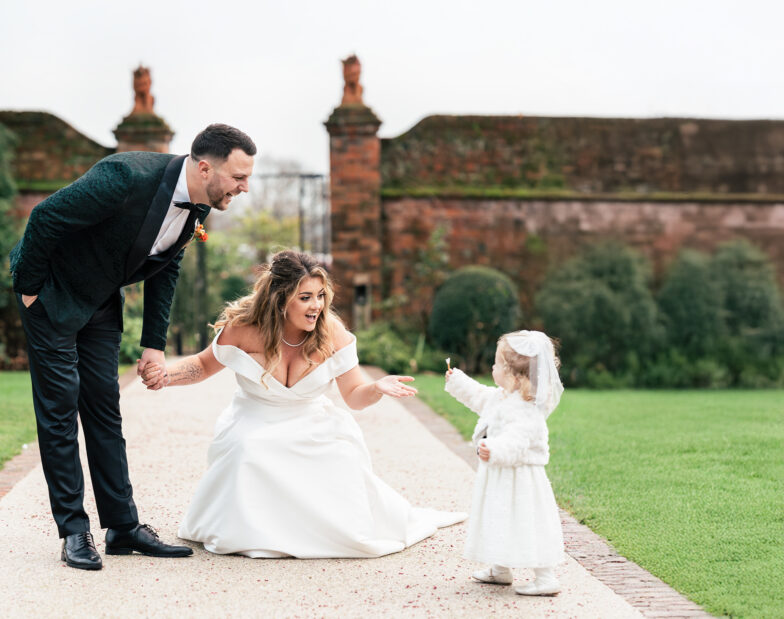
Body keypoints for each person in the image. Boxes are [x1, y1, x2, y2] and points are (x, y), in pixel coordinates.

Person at [10, 124, 257, 570]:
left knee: (105, 406)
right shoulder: (125, 177)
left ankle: (122, 527)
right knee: (60, 410)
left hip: (102, 301)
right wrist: (29, 290)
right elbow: (44, 217)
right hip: (52, 294)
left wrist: (153, 345)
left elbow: (167, 267)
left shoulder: (197, 205)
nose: (244, 187)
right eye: (239, 177)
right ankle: (73, 530)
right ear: (205, 168)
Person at [141, 250, 466, 558]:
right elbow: (202, 365)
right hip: (255, 417)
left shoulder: (331, 332)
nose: (317, 306)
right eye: (306, 297)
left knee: (341, 454)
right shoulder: (242, 329)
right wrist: (165, 376)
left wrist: (376, 388)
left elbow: (354, 396)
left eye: (321, 296)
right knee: (249, 448)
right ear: (281, 299)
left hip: (310, 419)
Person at [443, 331, 565, 595]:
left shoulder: (527, 410)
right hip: (501, 477)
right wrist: (458, 381)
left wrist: (494, 449)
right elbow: (479, 396)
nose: (492, 367)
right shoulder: (502, 396)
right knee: (498, 518)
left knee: (527, 522)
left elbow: (517, 441)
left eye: (498, 364)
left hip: (521, 481)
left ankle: (546, 577)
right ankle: (500, 569)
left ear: (516, 376)